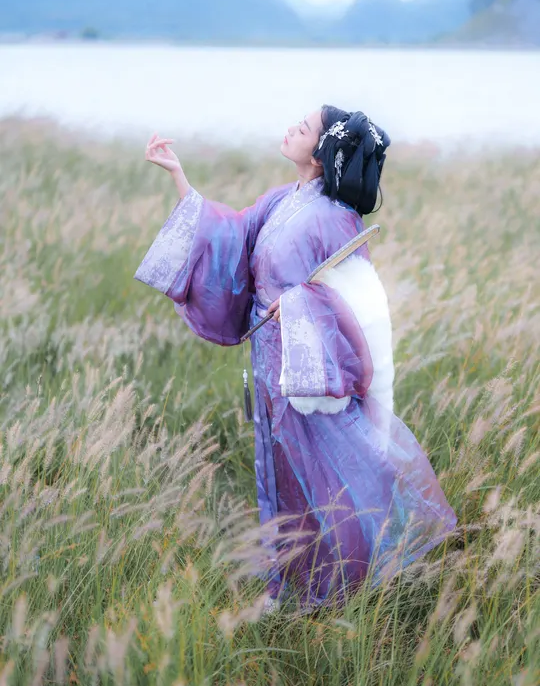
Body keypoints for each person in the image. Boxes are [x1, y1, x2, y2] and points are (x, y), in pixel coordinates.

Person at [135, 105, 458, 613]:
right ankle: (289, 582)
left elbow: (360, 303)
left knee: (329, 474)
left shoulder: (336, 219)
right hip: (270, 358)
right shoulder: (282, 199)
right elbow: (232, 236)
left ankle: (348, 582)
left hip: (311, 372)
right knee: (282, 470)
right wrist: (179, 177)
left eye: (303, 128)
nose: (291, 128)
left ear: (321, 153)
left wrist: (300, 304)